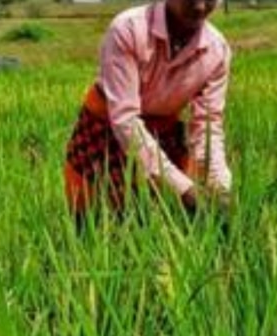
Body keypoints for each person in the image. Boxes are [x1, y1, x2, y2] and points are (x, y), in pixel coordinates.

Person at [64, 0, 232, 222]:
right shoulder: (128, 29)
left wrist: (219, 186)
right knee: (93, 220)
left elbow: (207, 125)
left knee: (159, 219)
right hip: (106, 130)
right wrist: (183, 189)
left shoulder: (217, 50)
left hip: (163, 133)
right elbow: (125, 120)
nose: (200, 7)